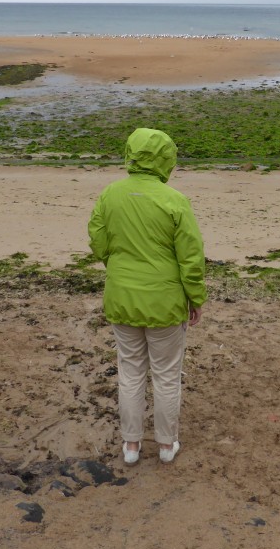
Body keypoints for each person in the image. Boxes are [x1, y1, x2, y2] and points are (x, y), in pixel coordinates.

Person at [88, 128, 207, 465]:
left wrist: (117, 264)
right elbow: (191, 257)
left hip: (122, 296)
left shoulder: (111, 194)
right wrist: (195, 298)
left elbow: (97, 239)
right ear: (166, 159)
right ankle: (167, 445)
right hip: (164, 303)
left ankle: (131, 445)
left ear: (131, 154)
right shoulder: (173, 200)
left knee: (130, 371)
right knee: (167, 374)